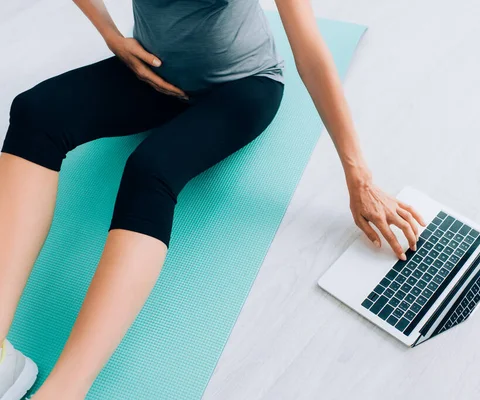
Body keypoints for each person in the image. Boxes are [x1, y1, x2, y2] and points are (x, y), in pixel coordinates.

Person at [0, 0, 426, 398]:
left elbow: (310, 51)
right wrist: (111, 35)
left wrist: (358, 175)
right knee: (36, 114)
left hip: (240, 87)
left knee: (150, 170)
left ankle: (64, 391)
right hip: (153, 73)